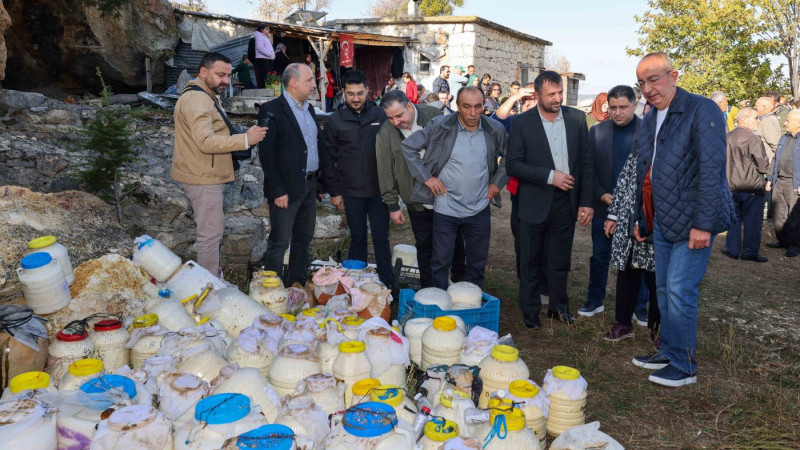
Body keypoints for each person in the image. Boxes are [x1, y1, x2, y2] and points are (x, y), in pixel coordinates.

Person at [630, 52, 733, 387]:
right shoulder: (651, 118)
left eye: (654, 79)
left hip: (693, 222)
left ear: (674, 75)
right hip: (663, 220)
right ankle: (669, 351)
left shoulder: (702, 110)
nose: (647, 88)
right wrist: (642, 218)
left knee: (680, 289)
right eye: (642, 82)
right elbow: (643, 173)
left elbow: (711, 170)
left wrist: (704, 224)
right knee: (663, 288)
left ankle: (685, 365)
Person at [506, 70, 594, 328]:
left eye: (560, 93)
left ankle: (558, 307)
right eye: (551, 94)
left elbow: (586, 163)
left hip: (565, 202)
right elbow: (513, 165)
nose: (557, 98)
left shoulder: (577, 119)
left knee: (559, 260)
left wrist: (586, 202)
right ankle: (530, 311)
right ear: (537, 95)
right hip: (532, 202)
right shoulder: (522, 123)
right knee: (530, 259)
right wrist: (549, 176)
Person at [171, 52, 267, 277]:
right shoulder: (198, 99)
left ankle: (210, 278)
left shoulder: (205, 94)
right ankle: (208, 287)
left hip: (203, 173)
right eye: (220, 75)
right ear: (204, 73)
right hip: (202, 177)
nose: (226, 80)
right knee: (210, 234)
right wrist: (245, 139)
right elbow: (204, 141)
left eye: (228, 75)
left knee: (211, 232)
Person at [402, 86, 508, 289]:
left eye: (478, 106)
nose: (473, 113)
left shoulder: (494, 129)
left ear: (484, 104)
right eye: (467, 107)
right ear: (457, 106)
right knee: (440, 262)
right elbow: (409, 147)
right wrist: (427, 178)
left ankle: (471, 303)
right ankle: (439, 305)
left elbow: (511, 155)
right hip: (446, 207)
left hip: (479, 208)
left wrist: (497, 182)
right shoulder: (440, 125)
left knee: (477, 263)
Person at [376, 89, 466, 288]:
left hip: (447, 194)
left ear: (410, 106)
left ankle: (462, 287)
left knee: (455, 241)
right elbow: (385, 171)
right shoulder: (385, 133)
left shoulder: (434, 116)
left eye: (399, 116)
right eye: (390, 118)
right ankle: (429, 289)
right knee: (425, 245)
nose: (396, 122)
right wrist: (392, 205)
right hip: (415, 199)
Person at [322, 70, 393, 287]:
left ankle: (387, 285)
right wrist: (334, 192)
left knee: (381, 239)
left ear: (367, 91)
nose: (355, 98)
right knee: (358, 238)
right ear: (343, 92)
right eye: (351, 94)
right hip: (351, 192)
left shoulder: (381, 116)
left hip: (378, 191)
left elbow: (393, 152)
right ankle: (355, 287)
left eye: (360, 93)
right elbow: (328, 159)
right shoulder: (335, 121)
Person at [257, 63, 325, 286]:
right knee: (279, 241)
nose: (314, 85)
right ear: (293, 82)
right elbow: (267, 155)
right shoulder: (272, 110)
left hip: (309, 186)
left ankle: (295, 286)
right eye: (310, 80)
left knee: (303, 239)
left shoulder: (309, 109)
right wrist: (277, 190)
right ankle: (272, 290)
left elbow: (313, 146)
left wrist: (320, 183)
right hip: (285, 189)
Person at [579, 85, 642, 318]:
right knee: (599, 256)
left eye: (623, 107)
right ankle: (595, 300)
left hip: (636, 209)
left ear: (635, 105)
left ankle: (640, 306)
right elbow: (588, 168)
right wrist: (601, 193)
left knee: (638, 258)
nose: (617, 112)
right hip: (603, 204)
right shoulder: (597, 131)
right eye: (613, 107)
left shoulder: (648, 132)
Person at [602, 135, 659, 344]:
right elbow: (623, 180)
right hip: (628, 220)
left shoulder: (672, 152)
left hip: (656, 220)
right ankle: (623, 323)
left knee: (657, 279)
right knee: (626, 272)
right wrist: (613, 215)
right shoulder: (639, 147)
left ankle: (658, 330)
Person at [490, 83, 537, 279]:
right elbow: (496, 122)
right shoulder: (516, 121)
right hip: (519, 190)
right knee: (520, 235)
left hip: (543, 189)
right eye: (523, 101)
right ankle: (525, 279)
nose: (526, 104)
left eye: (531, 99)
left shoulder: (554, 123)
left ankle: (541, 282)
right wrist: (514, 97)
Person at [722, 107, 770, 262]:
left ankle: (733, 249)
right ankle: (749, 252)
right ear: (745, 119)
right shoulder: (753, 138)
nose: (758, 121)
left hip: (732, 185)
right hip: (751, 187)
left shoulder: (728, 136)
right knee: (752, 221)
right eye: (756, 118)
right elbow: (762, 164)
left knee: (734, 218)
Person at [767, 109, 800, 257]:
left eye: (788, 120)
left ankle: (794, 244)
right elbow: (775, 159)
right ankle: (783, 240)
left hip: (794, 183)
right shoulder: (783, 138)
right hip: (779, 180)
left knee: (794, 216)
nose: (784, 123)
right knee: (779, 213)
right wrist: (769, 178)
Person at [755, 96, 781, 161]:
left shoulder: (768, 120)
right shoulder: (764, 119)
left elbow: (774, 143)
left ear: (764, 107)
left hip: (768, 162)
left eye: (756, 106)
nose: (754, 108)